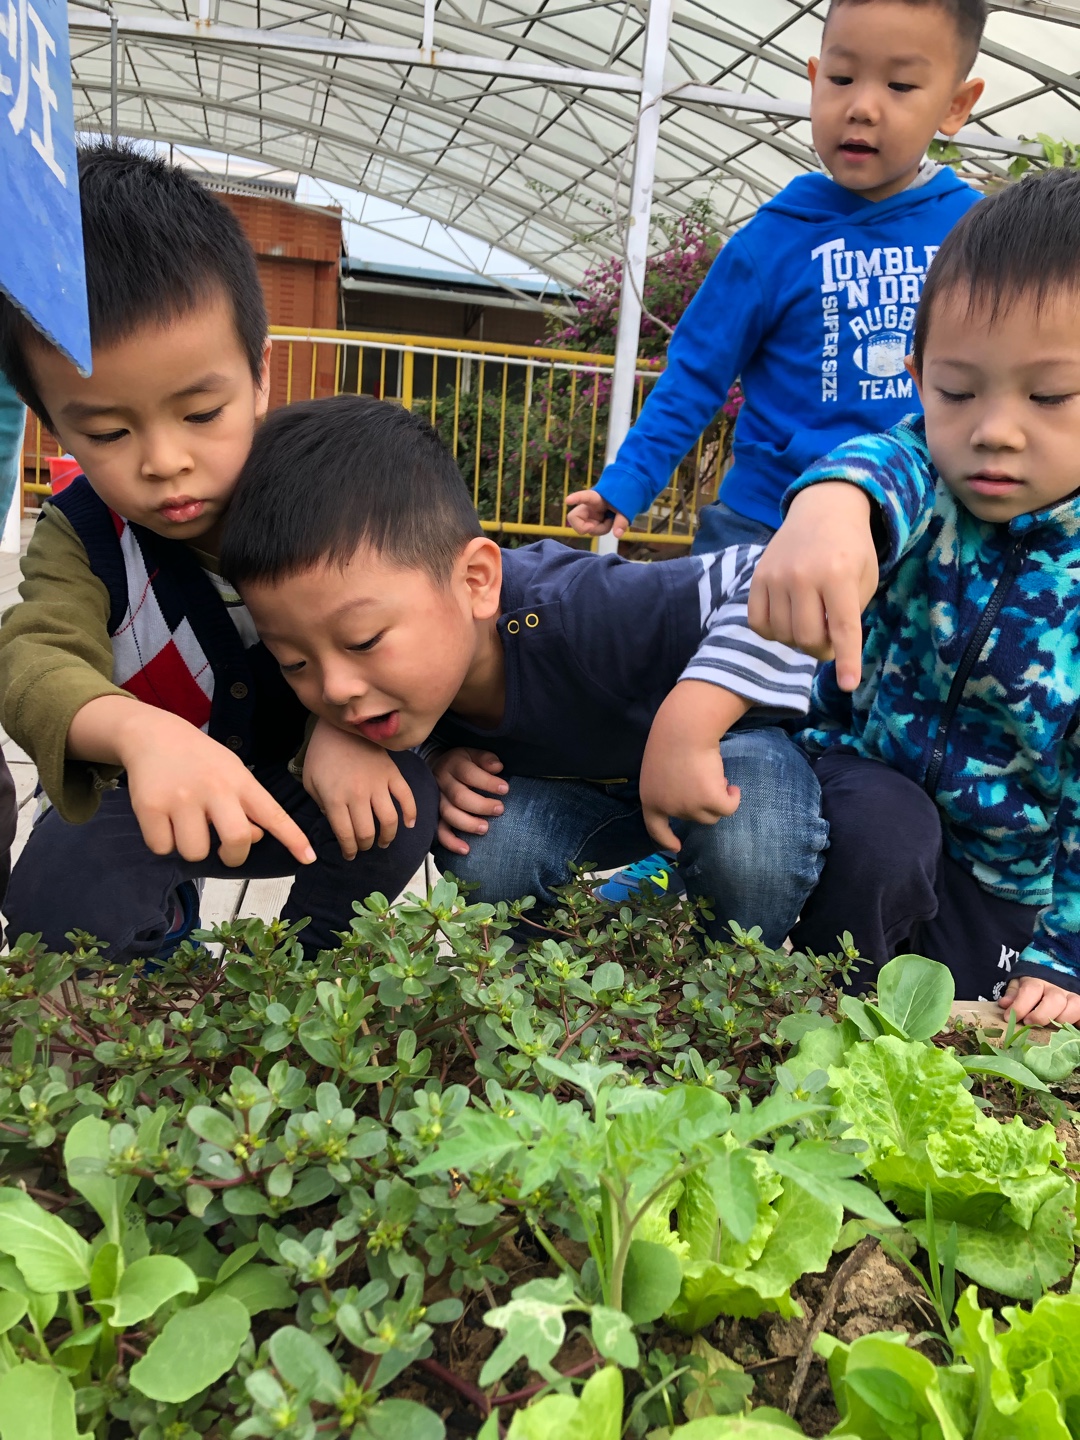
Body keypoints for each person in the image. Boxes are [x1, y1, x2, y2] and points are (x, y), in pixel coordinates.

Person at [570, 0, 987, 905]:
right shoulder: (773, 239)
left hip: (908, 540)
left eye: (900, 84)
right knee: (739, 709)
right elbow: (695, 373)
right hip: (761, 531)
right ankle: (682, 849)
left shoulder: (973, 238)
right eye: (841, 77)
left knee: (869, 721)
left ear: (956, 105)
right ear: (811, 79)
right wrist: (625, 485)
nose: (861, 105)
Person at [0, 144, 436, 961]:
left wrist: (348, 723)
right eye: (108, 431)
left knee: (400, 800)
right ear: (54, 425)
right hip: (152, 800)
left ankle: (314, 978)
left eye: (201, 413)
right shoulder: (82, 535)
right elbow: (33, 658)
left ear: (259, 374)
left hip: (299, 794)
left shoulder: (323, 498)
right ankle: (161, 966)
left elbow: (423, 621)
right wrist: (138, 736)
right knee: (57, 888)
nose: (165, 461)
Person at [219, 393, 826, 950]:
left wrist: (690, 725)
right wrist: (429, 754)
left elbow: (761, 574)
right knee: (485, 849)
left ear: (476, 581)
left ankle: (730, 975)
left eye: (363, 641)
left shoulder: (579, 607)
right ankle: (567, 979)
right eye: (295, 662)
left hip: (723, 757)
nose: (334, 688)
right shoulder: (393, 672)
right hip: (592, 795)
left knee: (754, 844)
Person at [748, 167, 1080, 1027]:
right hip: (857, 792)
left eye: (1049, 396)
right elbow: (879, 464)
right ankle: (803, 1017)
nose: (993, 430)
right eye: (956, 391)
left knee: (961, 1029)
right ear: (919, 375)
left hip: (1008, 880)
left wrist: (1065, 951)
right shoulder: (926, 477)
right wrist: (831, 504)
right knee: (879, 848)